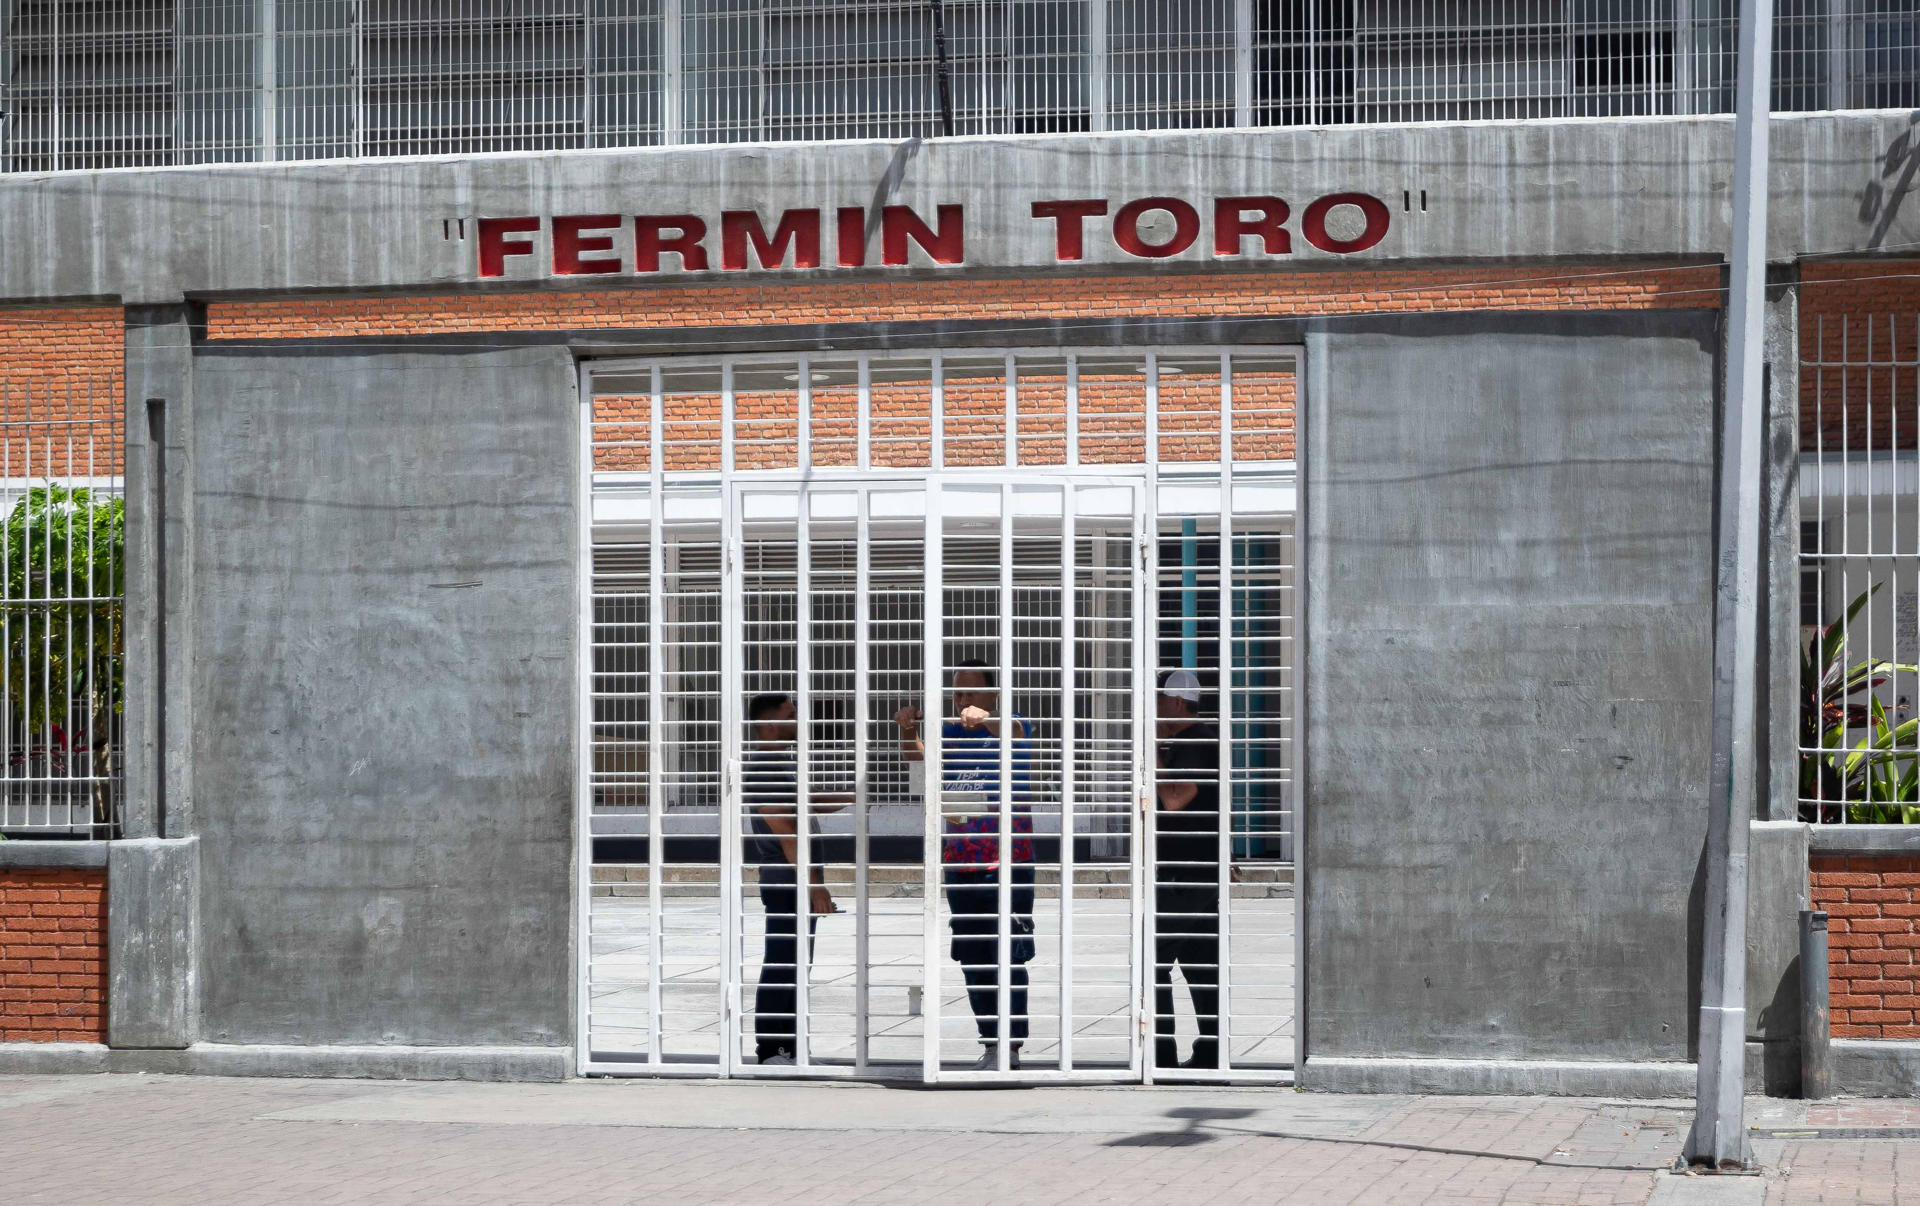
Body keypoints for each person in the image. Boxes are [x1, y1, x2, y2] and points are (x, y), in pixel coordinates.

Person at [894, 658, 1035, 1071]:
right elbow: (920, 768)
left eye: (972, 692)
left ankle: (1011, 1043)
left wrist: (987, 717)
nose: (963, 701)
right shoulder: (949, 731)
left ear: (993, 694)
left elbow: (1014, 732)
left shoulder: (1012, 723)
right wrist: (910, 730)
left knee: (1008, 952)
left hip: (1007, 860)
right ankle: (991, 1041)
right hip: (960, 861)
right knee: (973, 955)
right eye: (957, 693)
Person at [743, 692, 846, 1066]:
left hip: (794, 880)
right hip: (787, 880)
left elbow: (808, 801)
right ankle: (772, 1051)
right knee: (783, 963)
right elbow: (788, 832)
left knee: (797, 963)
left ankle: (792, 1049)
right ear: (769, 723)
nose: (799, 718)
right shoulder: (763, 769)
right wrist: (814, 885)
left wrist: (860, 792)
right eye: (791, 713)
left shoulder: (780, 762)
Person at [1154, 668, 1223, 1071]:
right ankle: (1210, 1054)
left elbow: (1176, 800)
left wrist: (1154, 752)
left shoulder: (1194, 742)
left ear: (1177, 702)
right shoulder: (1193, 741)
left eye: (1159, 701)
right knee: (1200, 965)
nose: (1155, 710)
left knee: (1154, 962)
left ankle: (1160, 1055)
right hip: (1194, 869)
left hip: (1185, 875)